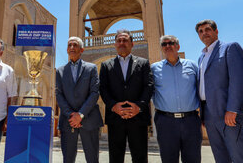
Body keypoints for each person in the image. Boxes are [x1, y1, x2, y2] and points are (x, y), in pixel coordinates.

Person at [99, 29, 154, 163]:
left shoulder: (143, 63)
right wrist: (113, 106)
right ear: (115, 44)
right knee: (116, 157)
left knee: (140, 156)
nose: (122, 43)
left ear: (132, 44)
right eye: (119, 40)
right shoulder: (106, 65)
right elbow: (103, 88)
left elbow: (149, 86)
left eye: (125, 40)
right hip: (116, 117)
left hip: (138, 117)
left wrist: (139, 106)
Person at [196, 19, 243, 163]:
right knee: (220, 155)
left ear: (216, 31)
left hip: (227, 113)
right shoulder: (201, 57)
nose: (205, 33)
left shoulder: (229, 48)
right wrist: (203, 114)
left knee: (237, 155)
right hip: (209, 115)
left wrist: (233, 109)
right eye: (201, 31)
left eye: (208, 29)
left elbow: (238, 80)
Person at [151, 35, 202, 163]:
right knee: (168, 159)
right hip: (165, 121)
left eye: (171, 43)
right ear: (162, 48)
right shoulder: (154, 68)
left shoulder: (192, 66)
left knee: (193, 158)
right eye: (164, 44)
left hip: (191, 120)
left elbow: (201, 90)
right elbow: (148, 91)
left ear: (178, 46)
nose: (167, 46)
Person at [56, 36, 103, 163]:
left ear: (81, 50)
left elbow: (94, 93)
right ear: (67, 50)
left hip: (89, 119)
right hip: (68, 120)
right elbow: (59, 95)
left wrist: (80, 115)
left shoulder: (91, 68)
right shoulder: (60, 71)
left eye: (75, 45)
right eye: (69, 45)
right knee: (68, 158)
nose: (72, 47)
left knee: (92, 158)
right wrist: (71, 114)